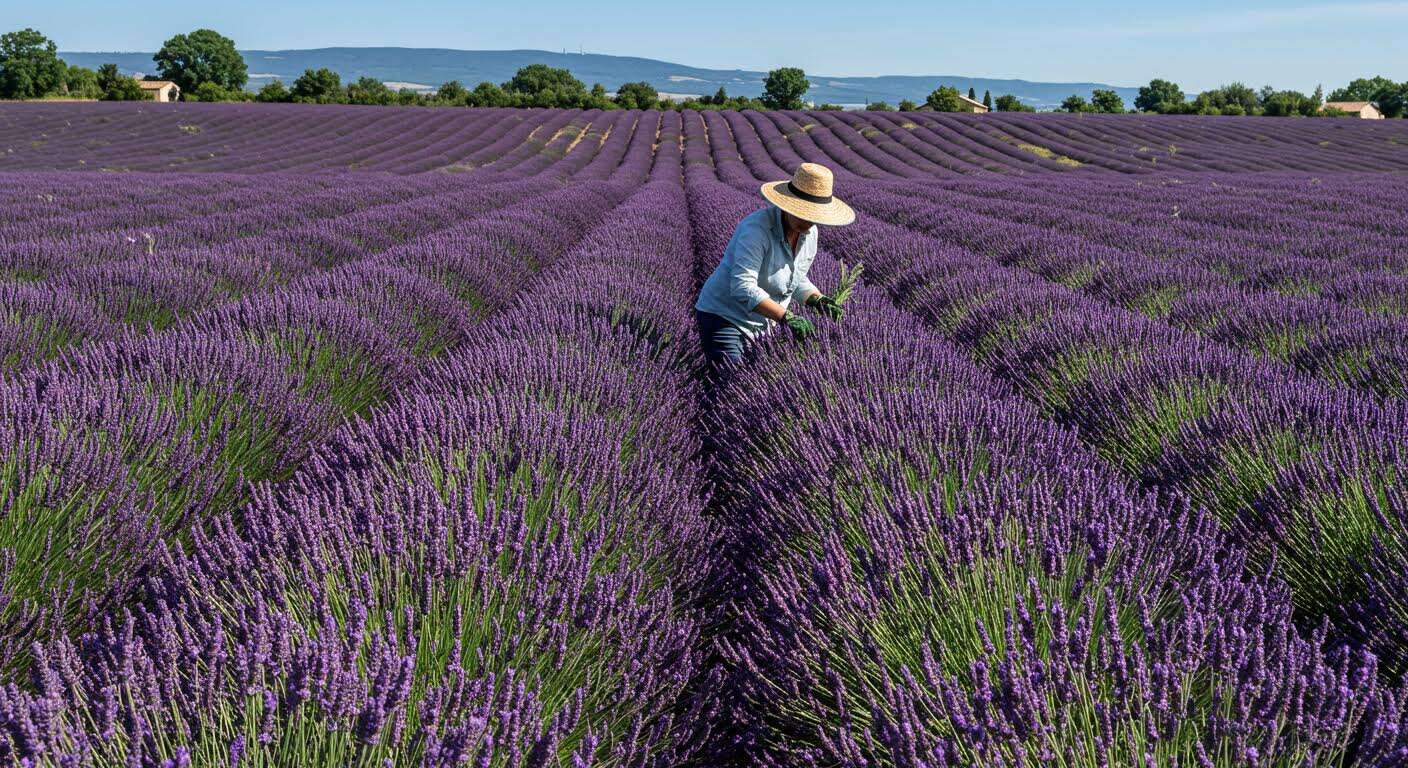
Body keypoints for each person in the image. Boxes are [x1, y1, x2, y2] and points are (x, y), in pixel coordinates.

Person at [695, 163, 856, 367]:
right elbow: (742, 286)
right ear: (788, 203)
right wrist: (786, 316)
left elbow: (792, 278)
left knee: (751, 382)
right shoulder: (756, 230)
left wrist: (817, 300)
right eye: (803, 212)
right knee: (733, 380)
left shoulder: (809, 234)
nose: (807, 221)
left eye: (813, 216)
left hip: (762, 323)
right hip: (725, 316)